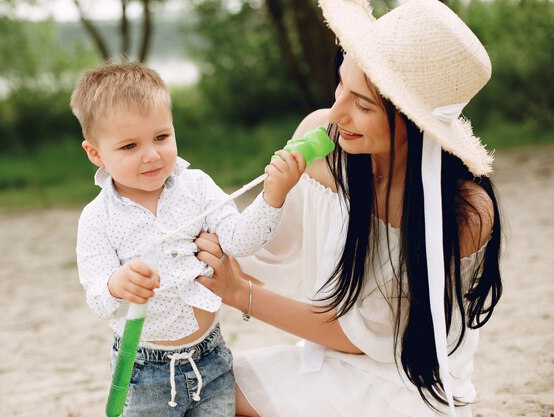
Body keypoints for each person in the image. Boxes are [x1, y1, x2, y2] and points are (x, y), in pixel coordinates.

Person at [195, 0, 503, 416]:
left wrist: (237, 292)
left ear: (414, 123)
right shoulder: (322, 144)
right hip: (325, 360)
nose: (337, 112)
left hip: (408, 381)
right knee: (196, 390)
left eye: (362, 104)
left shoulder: (463, 212)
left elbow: (367, 338)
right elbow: (264, 256)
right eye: (341, 85)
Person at [70, 62, 305, 416]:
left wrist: (273, 195)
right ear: (95, 154)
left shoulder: (196, 187)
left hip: (210, 359)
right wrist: (117, 284)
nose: (151, 154)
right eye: (130, 145)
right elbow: (98, 299)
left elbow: (240, 241)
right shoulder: (97, 219)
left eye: (161, 137)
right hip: (143, 370)